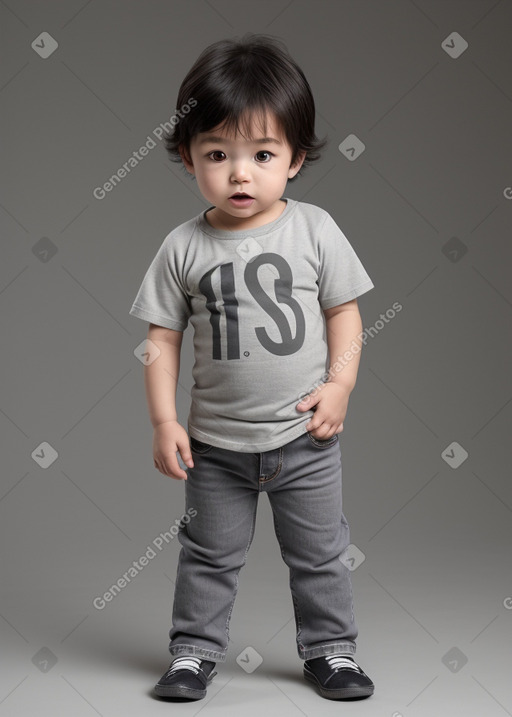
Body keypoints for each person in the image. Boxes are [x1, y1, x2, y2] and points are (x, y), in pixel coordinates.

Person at [129, 33, 375, 702]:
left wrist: (340, 384)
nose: (241, 173)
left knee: (320, 554)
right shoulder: (183, 247)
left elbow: (345, 317)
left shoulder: (316, 230)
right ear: (187, 158)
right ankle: (193, 654)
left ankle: (332, 650)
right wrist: (162, 418)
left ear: (295, 157)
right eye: (218, 154)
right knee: (207, 554)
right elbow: (161, 339)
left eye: (262, 154)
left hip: (306, 439)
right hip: (215, 445)